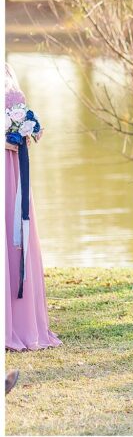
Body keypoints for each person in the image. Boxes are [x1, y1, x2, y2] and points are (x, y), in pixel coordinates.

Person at [5, 63, 61, 352]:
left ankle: (23, 322)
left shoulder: (9, 69)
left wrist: (29, 129)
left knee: (17, 236)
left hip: (15, 167)